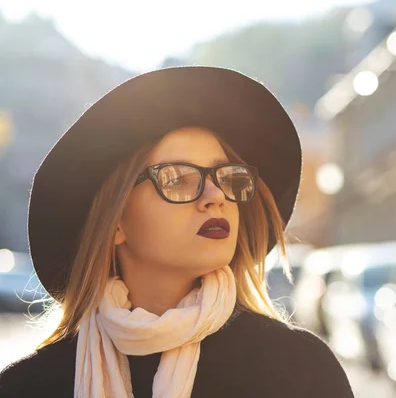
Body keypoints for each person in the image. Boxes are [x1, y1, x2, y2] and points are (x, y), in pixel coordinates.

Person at [0, 67, 354, 397]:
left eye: (226, 176)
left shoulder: (299, 371)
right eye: (178, 179)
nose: (216, 197)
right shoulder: (29, 386)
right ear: (115, 222)